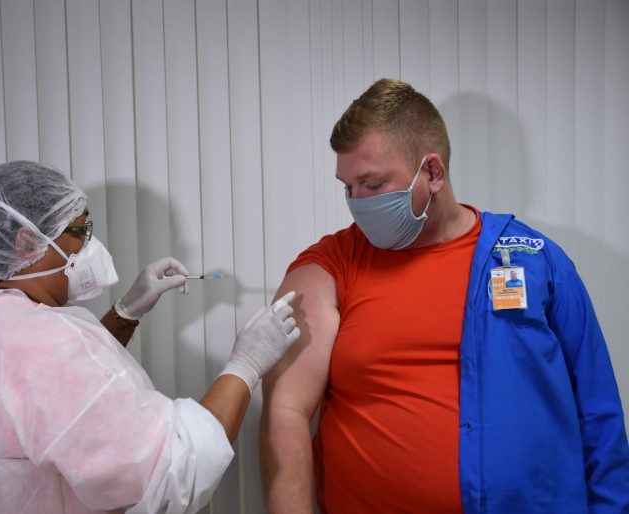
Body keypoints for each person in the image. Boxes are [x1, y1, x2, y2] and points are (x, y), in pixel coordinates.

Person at [259, 79, 629, 513]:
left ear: (432, 173)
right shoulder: (333, 265)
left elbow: (598, 411)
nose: (356, 202)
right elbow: (285, 410)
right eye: (348, 187)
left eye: (372, 184)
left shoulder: (535, 261)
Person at [0, 160, 300, 514]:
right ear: (26, 243)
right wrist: (246, 364)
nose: (90, 244)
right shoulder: (44, 345)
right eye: (80, 230)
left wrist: (127, 312)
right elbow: (172, 473)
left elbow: (56, 401)